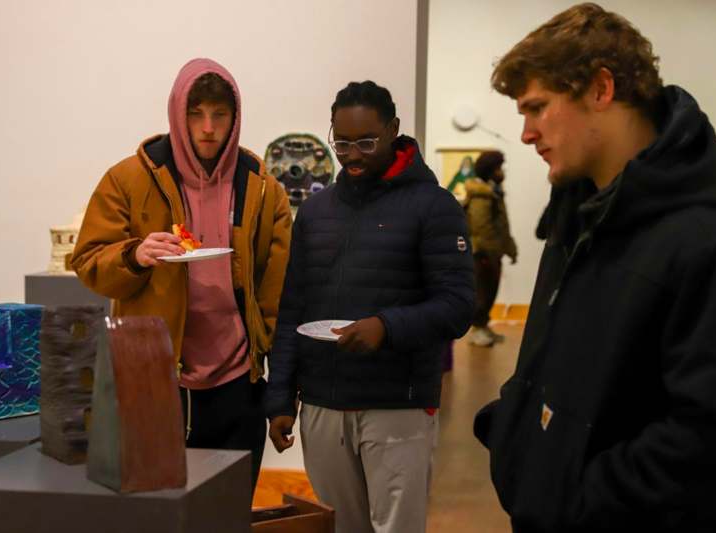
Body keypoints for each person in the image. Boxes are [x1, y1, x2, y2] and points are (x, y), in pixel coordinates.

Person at [473, 4, 716, 532]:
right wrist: (514, 438)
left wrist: (578, 499)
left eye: (537, 108)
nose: (526, 133)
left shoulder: (709, 241)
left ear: (600, 89)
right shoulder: (576, 216)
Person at [72, 58, 291, 491]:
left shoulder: (262, 187)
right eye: (196, 114)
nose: (208, 128)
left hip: (238, 381)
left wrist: (277, 380)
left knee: (228, 509)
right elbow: (88, 262)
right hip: (153, 381)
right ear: (177, 114)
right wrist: (134, 255)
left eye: (220, 114)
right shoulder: (128, 179)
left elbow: (279, 288)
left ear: (235, 118)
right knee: (155, 507)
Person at [264, 80, 474, 533]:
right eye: (342, 143)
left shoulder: (434, 206)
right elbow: (293, 308)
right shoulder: (316, 212)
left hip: (397, 405)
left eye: (366, 142)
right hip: (322, 406)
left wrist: (386, 326)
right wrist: (280, 396)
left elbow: (458, 306)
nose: (353, 156)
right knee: (339, 526)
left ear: (393, 130)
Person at [465, 150, 517, 346]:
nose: (501, 172)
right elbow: (481, 227)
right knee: (483, 291)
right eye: (498, 168)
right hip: (483, 253)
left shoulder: (493, 191)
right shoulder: (481, 195)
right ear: (490, 169)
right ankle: (477, 330)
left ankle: (483, 325)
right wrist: (488, 252)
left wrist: (510, 249)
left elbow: (502, 224)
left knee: (490, 290)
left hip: (493, 251)